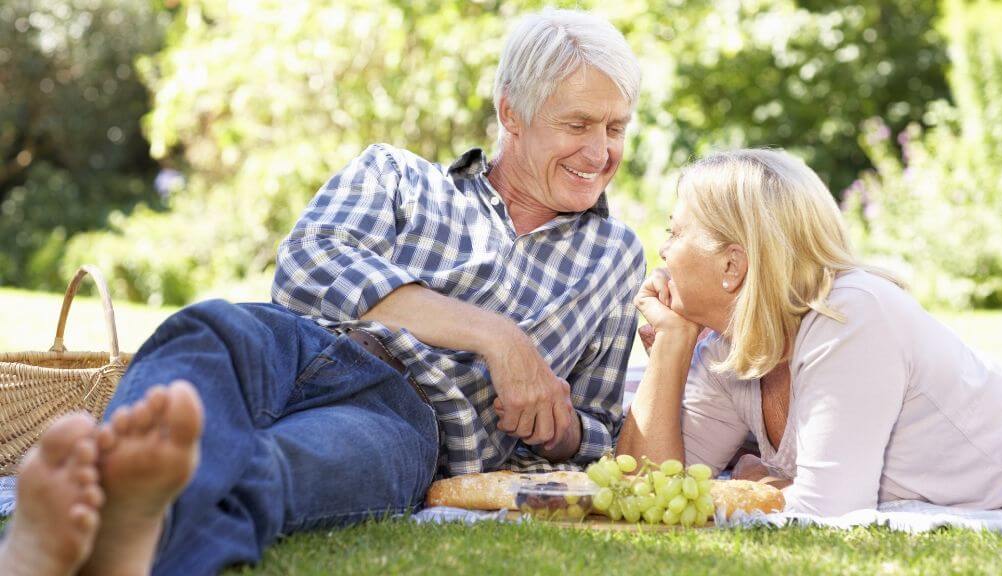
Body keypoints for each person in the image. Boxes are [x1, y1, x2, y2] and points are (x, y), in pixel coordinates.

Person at [0, 9, 645, 575]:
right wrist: (499, 338)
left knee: (274, 472)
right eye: (579, 124)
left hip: (404, 417)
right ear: (512, 113)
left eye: (615, 128)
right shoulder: (397, 175)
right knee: (209, 330)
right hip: (300, 343)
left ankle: (109, 545)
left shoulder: (614, 257)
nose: (600, 150)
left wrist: (556, 429)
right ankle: (104, 497)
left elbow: (599, 435)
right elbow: (308, 266)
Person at [617, 148, 1002, 517]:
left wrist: (760, 483)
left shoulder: (850, 316)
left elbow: (824, 514)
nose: (664, 250)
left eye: (675, 232)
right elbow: (645, 490)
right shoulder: (729, 345)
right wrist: (673, 345)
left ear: (732, 266)